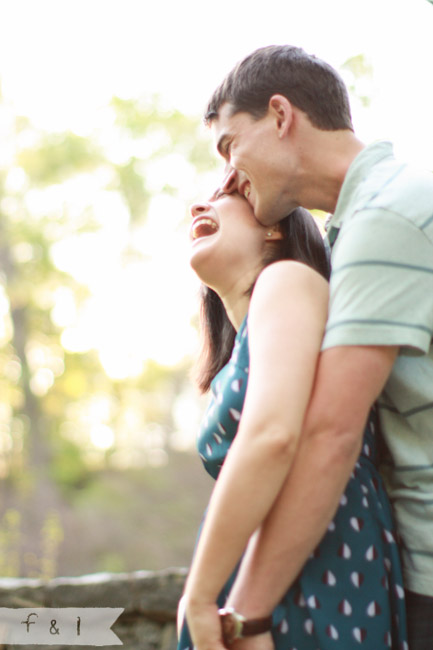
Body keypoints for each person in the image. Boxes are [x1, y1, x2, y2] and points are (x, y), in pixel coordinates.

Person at [200, 44, 433, 650]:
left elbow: (330, 434)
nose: (226, 177)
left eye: (229, 146)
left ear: (281, 116)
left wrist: (242, 615)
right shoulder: (361, 226)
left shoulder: (386, 214)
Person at [177, 189, 407, 650]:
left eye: (224, 195)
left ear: (274, 225)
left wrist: (200, 597)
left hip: (322, 558)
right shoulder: (228, 370)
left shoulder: (287, 280)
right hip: (252, 572)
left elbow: (274, 437)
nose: (198, 207)